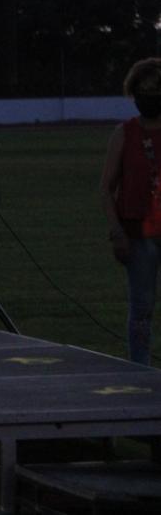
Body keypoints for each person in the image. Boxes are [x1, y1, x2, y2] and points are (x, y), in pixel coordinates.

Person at [100, 57, 161, 366]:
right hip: (138, 237)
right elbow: (106, 188)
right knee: (141, 309)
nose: (149, 95)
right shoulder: (124, 134)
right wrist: (117, 232)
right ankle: (140, 369)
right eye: (144, 89)